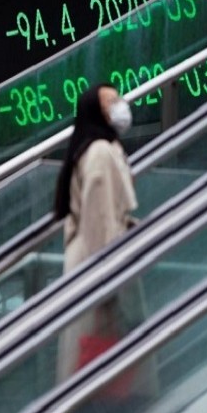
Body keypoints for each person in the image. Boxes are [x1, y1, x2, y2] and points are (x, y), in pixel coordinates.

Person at [54, 83, 145, 384]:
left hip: (85, 261)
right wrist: (109, 286)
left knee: (89, 364)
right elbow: (101, 222)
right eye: (110, 103)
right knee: (105, 367)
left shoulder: (94, 149)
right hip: (101, 267)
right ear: (96, 111)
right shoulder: (101, 153)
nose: (120, 106)